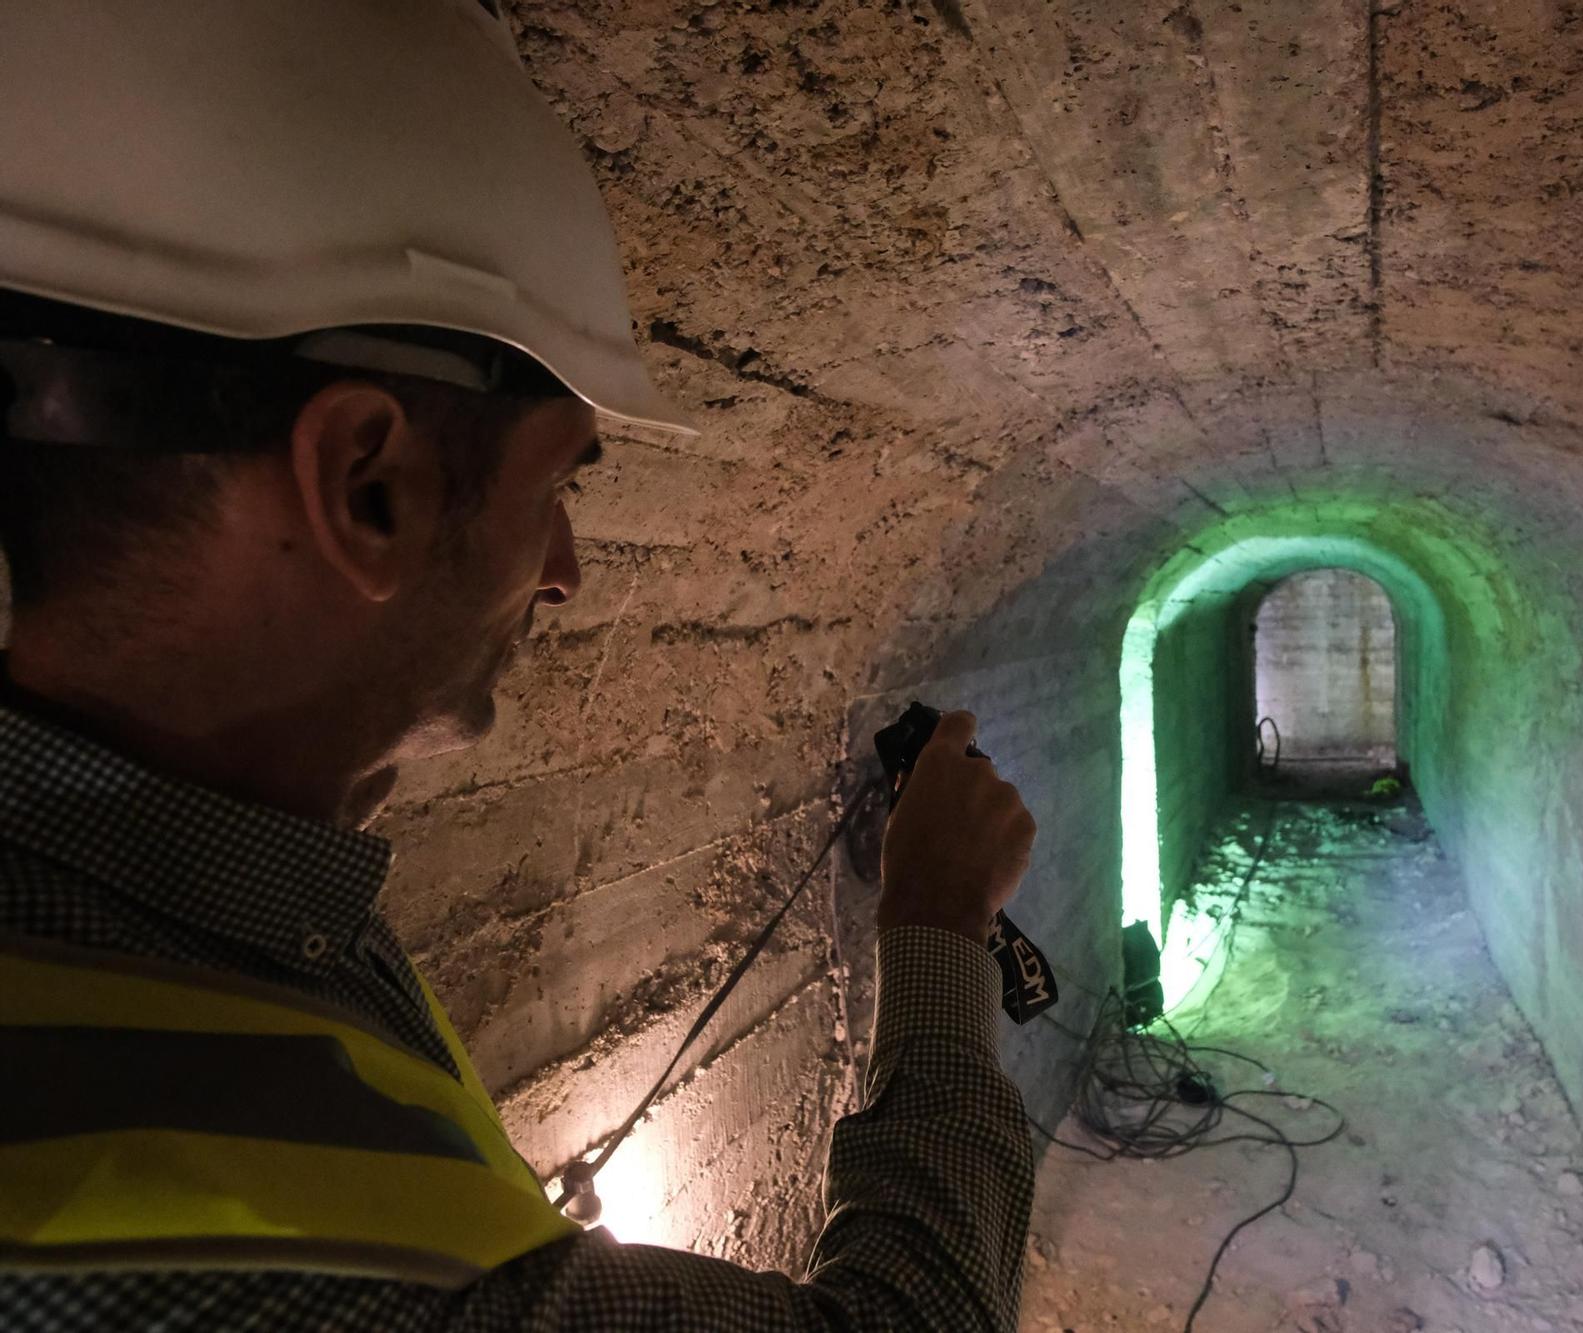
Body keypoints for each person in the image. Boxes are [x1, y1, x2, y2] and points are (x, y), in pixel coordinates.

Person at [0, 3, 1038, 1330]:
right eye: (557, 480)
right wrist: (940, 928)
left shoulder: (199, 905)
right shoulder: (304, 1270)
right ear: (367, 486)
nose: (564, 569)